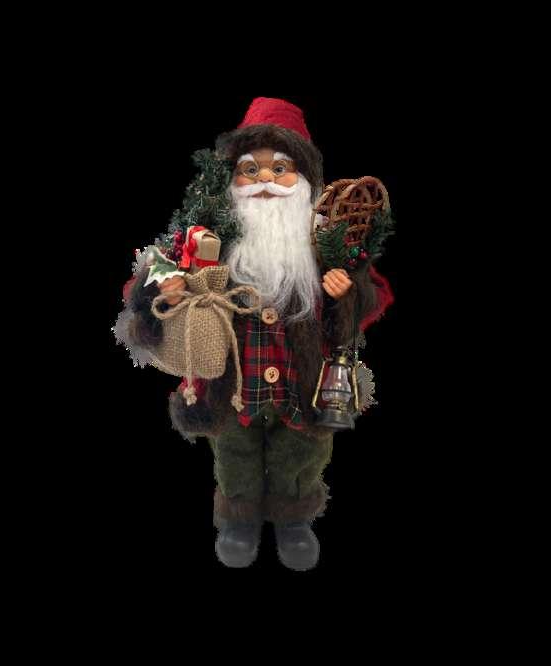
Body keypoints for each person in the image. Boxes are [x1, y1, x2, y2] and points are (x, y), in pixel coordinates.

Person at [122, 97, 393, 570]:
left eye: (281, 168)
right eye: (251, 169)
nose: (265, 179)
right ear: (232, 177)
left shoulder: (326, 239)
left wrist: (346, 291)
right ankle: (238, 517)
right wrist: (166, 283)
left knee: (302, 452)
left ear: (304, 179)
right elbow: (150, 273)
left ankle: (294, 516)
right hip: (231, 381)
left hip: (303, 382)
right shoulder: (209, 233)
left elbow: (373, 298)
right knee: (233, 452)